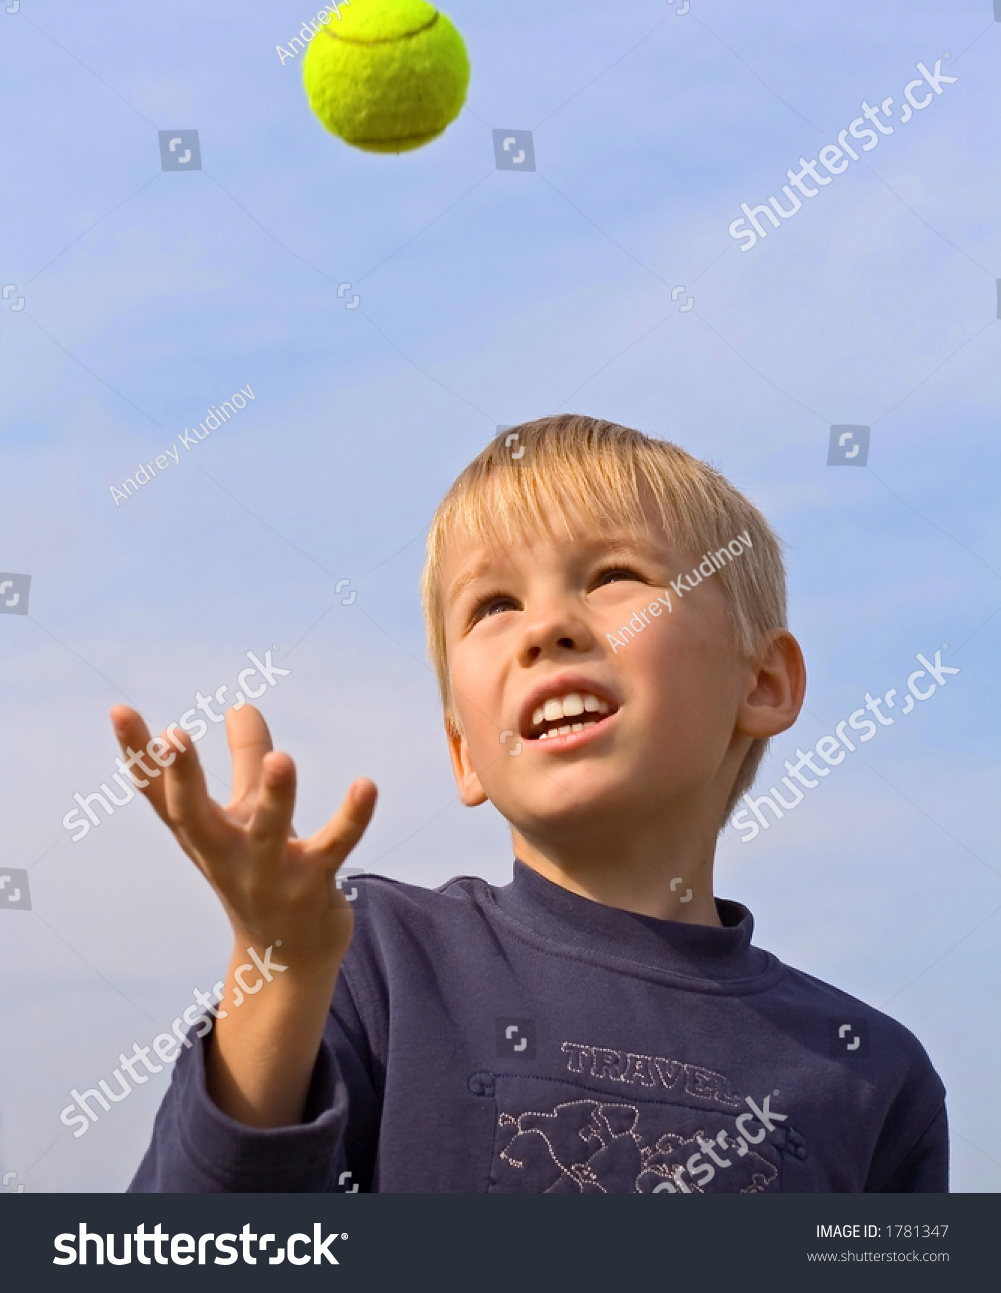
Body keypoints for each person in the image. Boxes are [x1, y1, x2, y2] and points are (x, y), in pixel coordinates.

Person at [118, 415, 946, 1193]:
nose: (545, 626)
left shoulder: (872, 1076)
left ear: (761, 683)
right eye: (493, 605)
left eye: (614, 576)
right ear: (463, 752)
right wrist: (278, 973)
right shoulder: (371, 965)